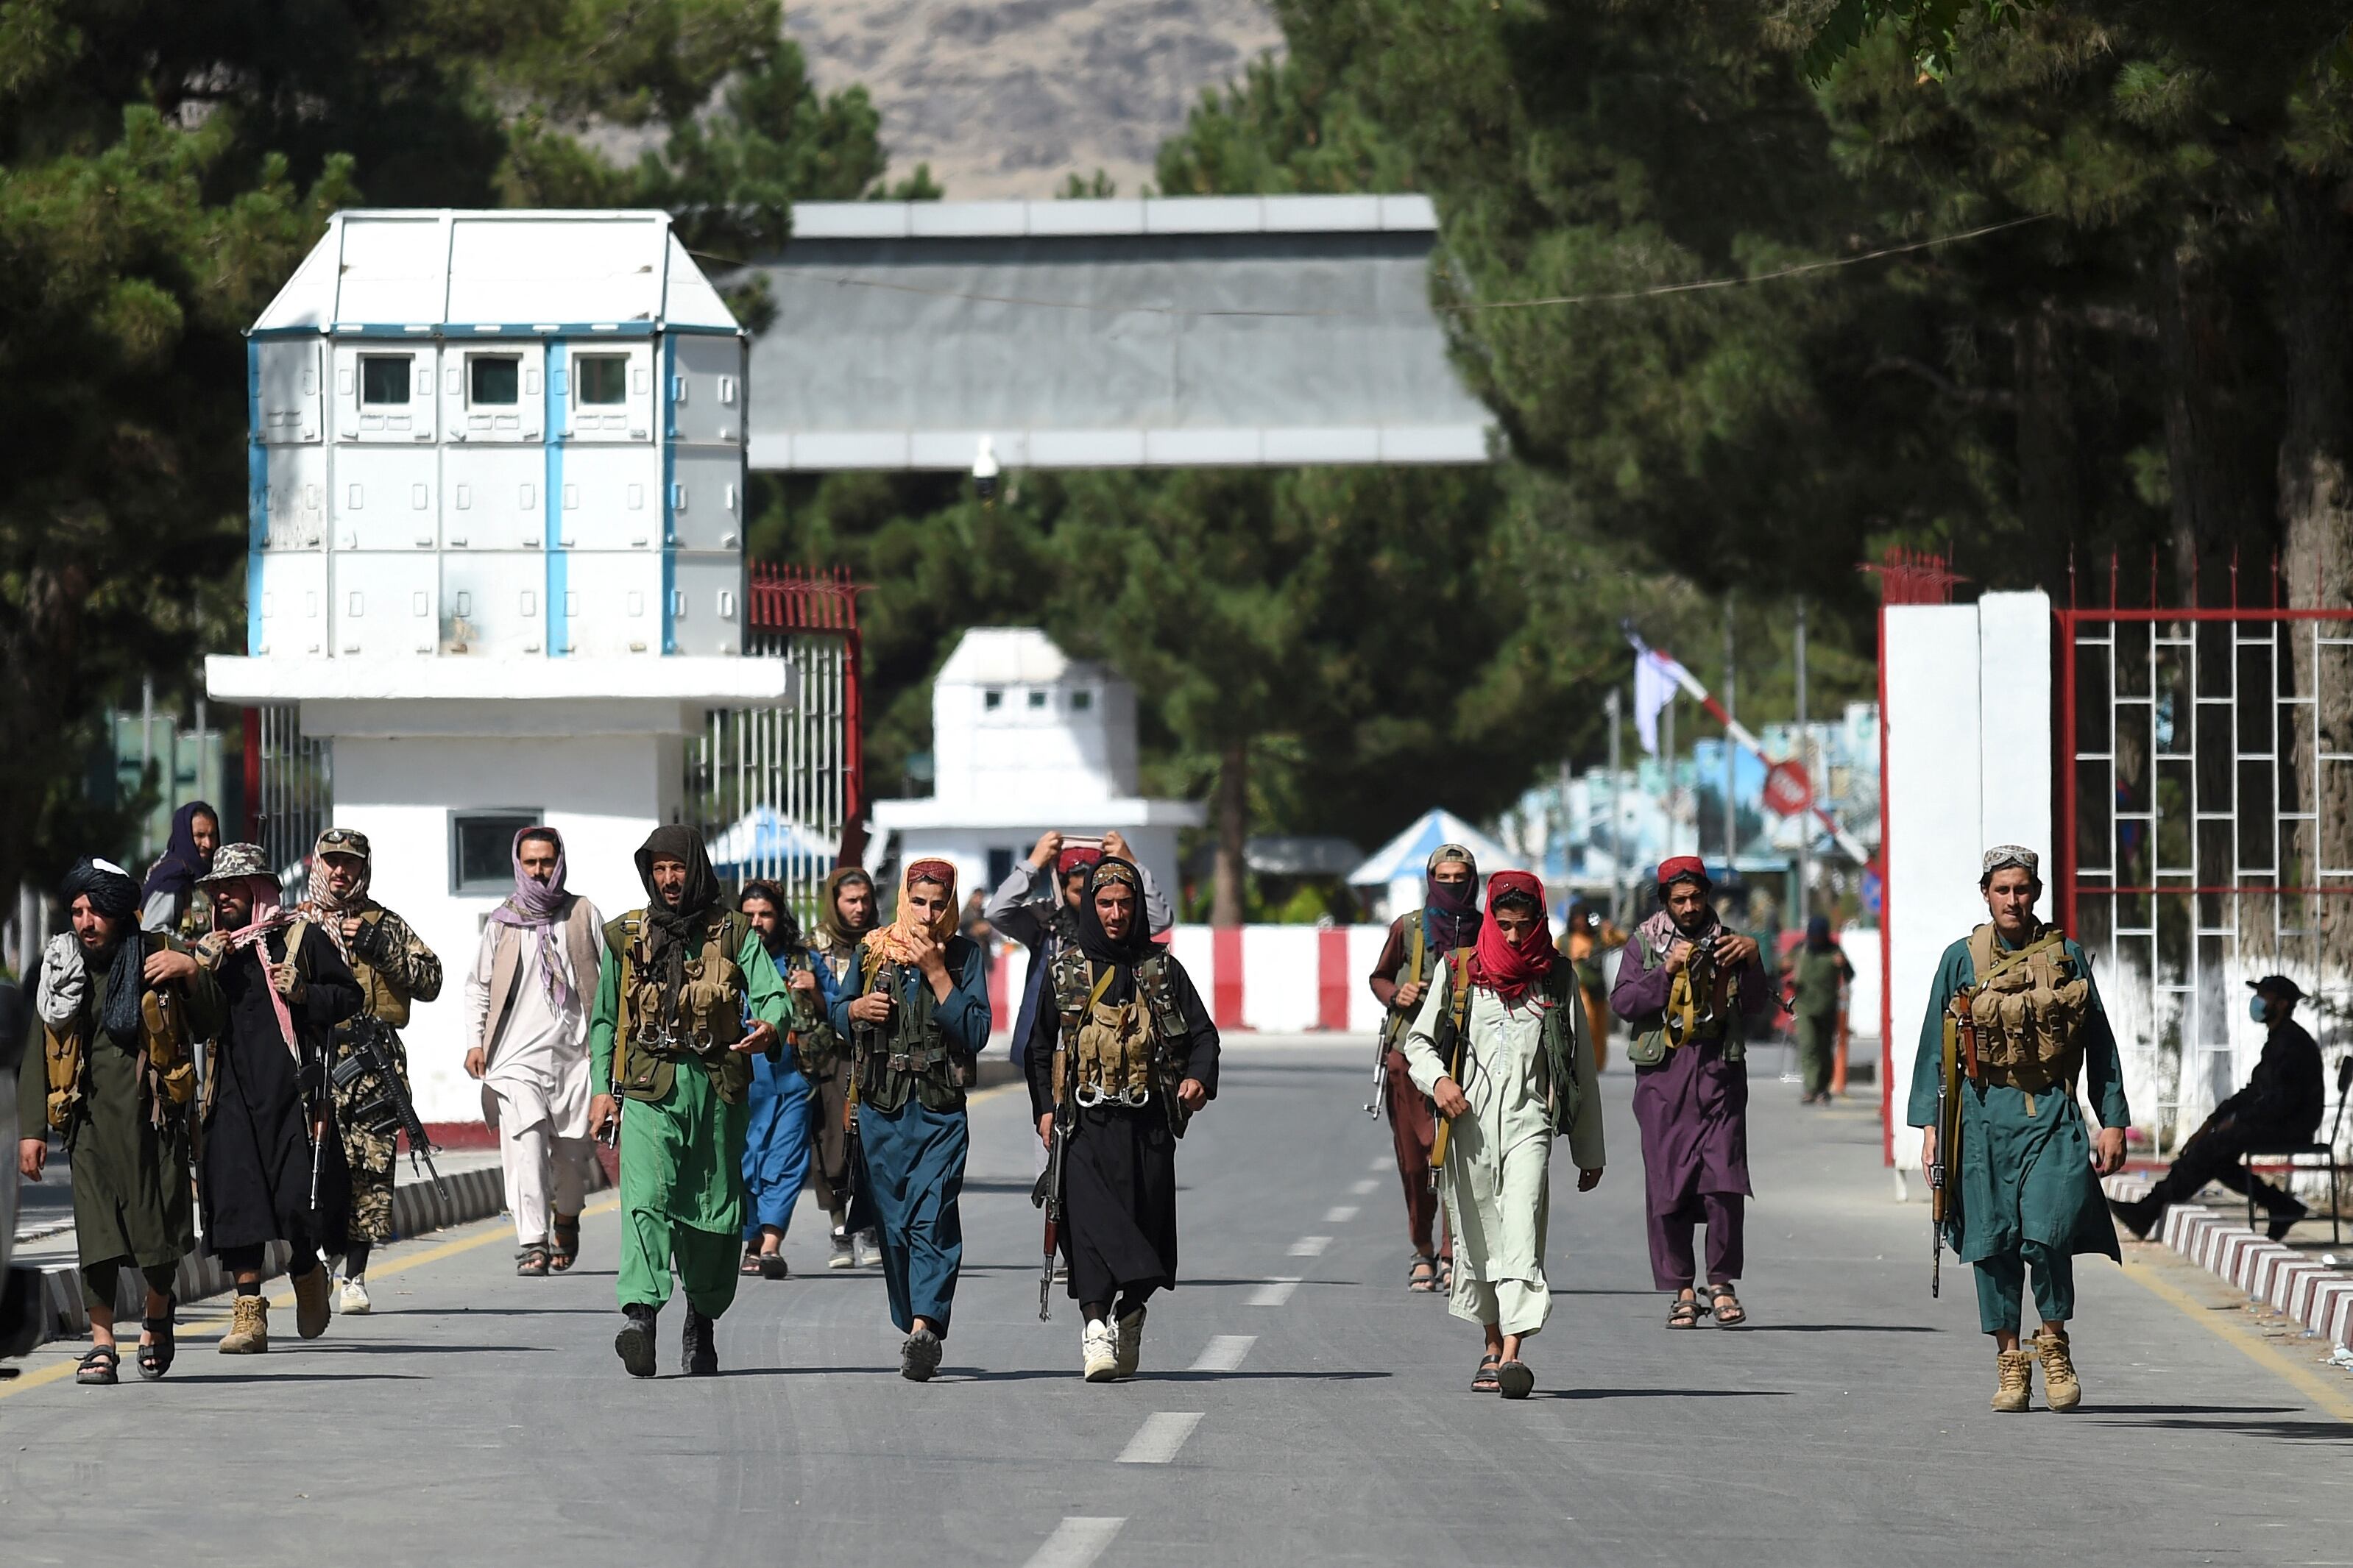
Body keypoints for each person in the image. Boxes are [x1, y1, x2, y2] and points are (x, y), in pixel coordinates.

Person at [1911, 846, 2129, 1413]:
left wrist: (2112, 1120)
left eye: (2024, 889)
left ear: (2036, 893)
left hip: (2052, 1112)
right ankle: (2010, 1364)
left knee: (2047, 1233)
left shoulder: (2066, 956)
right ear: (1985, 892)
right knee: (1991, 1241)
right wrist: (1931, 1128)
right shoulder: (1959, 959)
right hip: (1981, 1118)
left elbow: (2099, 1044)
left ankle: (2053, 1343)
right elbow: (1935, 1052)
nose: (2014, 899)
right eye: (2003, 889)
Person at [587, 826, 789, 1377]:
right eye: (659, 868)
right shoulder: (628, 935)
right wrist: (602, 1089)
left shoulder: (733, 931)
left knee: (712, 1212)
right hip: (651, 1085)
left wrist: (770, 1025)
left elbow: (772, 992)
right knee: (645, 1199)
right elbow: (606, 1018)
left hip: (717, 1090)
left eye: (678, 867)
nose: (669, 878)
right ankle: (641, 1317)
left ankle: (701, 1319)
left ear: (695, 868)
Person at [1400, 870, 1603, 1400]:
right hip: (1467, 1126)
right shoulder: (1461, 969)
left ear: (1539, 920)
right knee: (1478, 1235)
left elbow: (1579, 1065)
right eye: (1504, 925)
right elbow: (1418, 1041)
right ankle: (1490, 1343)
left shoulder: (1556, 977)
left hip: (1529, 1123)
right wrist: (1439, 1080)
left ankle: (1511, 1353)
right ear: (1490, 918)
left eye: (1524, 925)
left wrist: (1588, 1148)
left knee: (1521, 1231)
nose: (1513, 937)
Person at [19, 859, 217, 1384]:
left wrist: (192, 971)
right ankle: (102, 1342)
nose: (85, 922)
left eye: (96, 911)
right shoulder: (62, 966)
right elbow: (39, 1049)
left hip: (154, 1121)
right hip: (86, 1122)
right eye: (78, 911)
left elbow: (213, 1022)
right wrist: (32, 1129)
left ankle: (157, 1310)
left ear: (121, 912)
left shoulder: (159, 953)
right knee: (98, 1236)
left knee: (158, 1237)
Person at [1027, 856, 1219, 1381]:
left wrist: (1197, 1079)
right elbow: (1040, 1046)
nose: (1114, 913)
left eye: (1124, 903)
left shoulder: (1161, 971)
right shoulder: (1065, 970)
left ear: (1137, 908)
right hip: (1082, 1126)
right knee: (1088, 1231)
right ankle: (1095, 1332)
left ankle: (1130, 1311)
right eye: (1104, 903)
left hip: (1147, 1126)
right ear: (1090, 904)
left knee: (1146, 1237)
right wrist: (1044, 1108)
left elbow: (1203, 1036)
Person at [823, 859, 991, 1382]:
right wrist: (855, 1012)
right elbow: (836, 1011)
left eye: (938, 904)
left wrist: (939, 974)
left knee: (932, 1217)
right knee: (893, 1226)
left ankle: (925, 1327)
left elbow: (977, 1029)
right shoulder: (873, 949)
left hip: (939, 1112)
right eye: (918, 902)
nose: (927, 914)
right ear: (904, 900)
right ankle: (912, 1318)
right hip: (882, 1111)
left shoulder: (963, 956)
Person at [193, 842, 364, 1354]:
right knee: (239, 1204)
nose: (223, 896)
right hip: (230, 1096)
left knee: (295, 1204)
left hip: (293, 1095)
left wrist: (305, 993)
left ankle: (306, 1267)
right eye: (216, 889)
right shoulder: (213, 950)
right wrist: (201, 973)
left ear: (258, 890)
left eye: (233, 886)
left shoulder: (298, 937)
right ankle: (248, 1313)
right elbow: (196, 1023)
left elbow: (348, 996)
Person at [1612, 856, 1771, 1330]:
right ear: (1665, 902)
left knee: (1725, 1181)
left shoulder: (1729, 944)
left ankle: (1720, 1282)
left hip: (1719, 1073)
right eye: (1678, 900)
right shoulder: (1644, 944)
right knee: (1669, 1184)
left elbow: (1758, 1005)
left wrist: (1754, 957)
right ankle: (1682, 1288)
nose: (1688, 907)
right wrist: (1666, 972)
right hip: (1664, 1079)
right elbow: (1623, 1002)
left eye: (1695, 897)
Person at [300, 828, 442, 1313]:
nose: (341, 872)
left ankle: (355, 1275)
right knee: (316, 1166)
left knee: (372, 1168)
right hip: (316, 1060)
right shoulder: (296, 925)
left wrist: (379, 945)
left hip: (373, 1062)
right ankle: (319, 1257)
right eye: (333, 861)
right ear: (316, 863)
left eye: (351, 863)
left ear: (364, 868)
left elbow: (431, 980)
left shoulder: (384, 923)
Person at [464, 827, 604, 1277]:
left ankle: (567, 1219)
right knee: (524, 1147)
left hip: (574, 1058)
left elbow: (611, 982)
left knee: (570, 1155)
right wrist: (475, 1041)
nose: (540, 872)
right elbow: (479, 987)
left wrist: (607, 1051)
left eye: (547, 862)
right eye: (531, 863)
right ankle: (532, 1241)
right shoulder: (503, 921)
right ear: (518, 864)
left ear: (559, 861)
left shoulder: (582, 914)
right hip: (513, 1059)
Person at [2112, 975, 2321, 1242]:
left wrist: (2235, 1122)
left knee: (2213, 1149)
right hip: (2278, 1122)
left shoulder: (2292, 1044)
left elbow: (2281, 1103)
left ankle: (2149, 1209)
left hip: (2293, 1127)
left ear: (2281, 1004)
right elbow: (2254, 1091)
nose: (2257, 1002)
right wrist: (2212, 1121)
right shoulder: (2278, 1040)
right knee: (2214, 1154)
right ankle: (2281, 1205)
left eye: (2264, 996)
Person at [1366, 845, 1483, 1293]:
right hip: (1409, 1060)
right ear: (1432, 877)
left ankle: (1454, 1252)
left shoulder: (1489, 929)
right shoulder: (1410, 928)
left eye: (1461, 877)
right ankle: (1422, 1249)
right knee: (1416, 1164)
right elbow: (1379, 976)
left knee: (1459, 1159)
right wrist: (1399, 992)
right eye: (1444, 877)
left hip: (1468, 1059)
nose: (1453, 885)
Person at [737, 880, 823, 1280]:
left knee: (787, 1160)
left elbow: (839, 1007)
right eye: (749, 915)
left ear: (779, 917)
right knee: (744, 1161)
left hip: (794, 1080)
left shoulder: (802, 961)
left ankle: (771, 1244)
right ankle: (752, 1237)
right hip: (742, 1082)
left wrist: (816, 990)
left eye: (765, 914)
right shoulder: (728, 960)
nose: (757, 923)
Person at [811, 867, 881, 1269]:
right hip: (830, 1058)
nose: (859, 908)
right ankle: (840, 1227)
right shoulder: (814, 946)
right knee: (830, 1144)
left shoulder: (884, 941)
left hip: (876, 1054)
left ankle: (869, 1225)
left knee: (872, 1145)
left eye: (865, 900)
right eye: (850, 901)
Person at [1783, 915, 1854, 1105]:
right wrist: (1786, 968)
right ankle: (1810, 1089)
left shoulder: (1834, 950)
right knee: (1808, 1046)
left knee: (1824, 1049)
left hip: (1827, 1007)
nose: (1815, 940)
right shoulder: (1801, 949)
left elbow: (1850, 974)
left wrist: (1843, 965)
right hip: (1805, 1006)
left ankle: (1823, 1088)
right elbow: (1781, 965)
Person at [139, 801, 221, 940]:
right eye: (200, 836)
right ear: (186, 837)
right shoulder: (171, 878)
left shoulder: (214, 875)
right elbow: (153, 933)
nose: (208, 844)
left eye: (212, 835)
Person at [1561, 902, 1627, 1074]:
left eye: (1583, 919)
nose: (1580, 923)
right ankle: (1583, 1062)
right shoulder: (1566, 940)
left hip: (1597, 987)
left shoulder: (1599, 937)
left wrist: (1610, 929)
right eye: (1577, 919)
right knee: (1587, 1024)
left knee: (1599, 1027)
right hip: (1579, 988)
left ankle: (1597, 1065)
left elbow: (1622, 940)